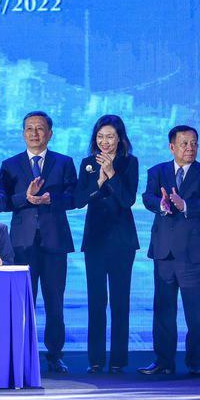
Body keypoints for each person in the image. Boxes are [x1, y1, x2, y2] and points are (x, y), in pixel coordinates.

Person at [138, 125, 200, 376]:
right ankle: (163, 361)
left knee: (196, 312)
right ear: (172, 146)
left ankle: (195, 361)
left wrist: (185, 205)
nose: (190, 148)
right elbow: (147, 197)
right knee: (163, 310)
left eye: (194, 143)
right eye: (184, 143)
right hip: (164, 252)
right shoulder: (157, 172)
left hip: (193, 254)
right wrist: (161, 204)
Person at [1, 111, 77, 373]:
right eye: (30, 128)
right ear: (23, 133)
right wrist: (27, 197)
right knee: (23, 301)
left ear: (50, 133)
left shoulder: (64, 162)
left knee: (55, 302)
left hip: (55, 243)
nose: (35, 133)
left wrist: (50, 200)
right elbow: (5, 201)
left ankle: (55, 355)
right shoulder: (9, 165)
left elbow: (74, 198)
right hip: (22, 245)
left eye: (40, 128)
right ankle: (23, 353)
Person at [74, 115, 139, 374]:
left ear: (120, 138)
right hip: (96, 240)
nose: (105, 142)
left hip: (122, 241)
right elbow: (79, 199)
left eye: (110, 137)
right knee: (96, 300)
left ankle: (119, 360)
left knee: (120, 301)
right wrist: (98, 180)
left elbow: (127, 200)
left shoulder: (129, 162)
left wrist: (112, 174)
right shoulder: (88, 164)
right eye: (100, 137)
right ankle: (96, 359)